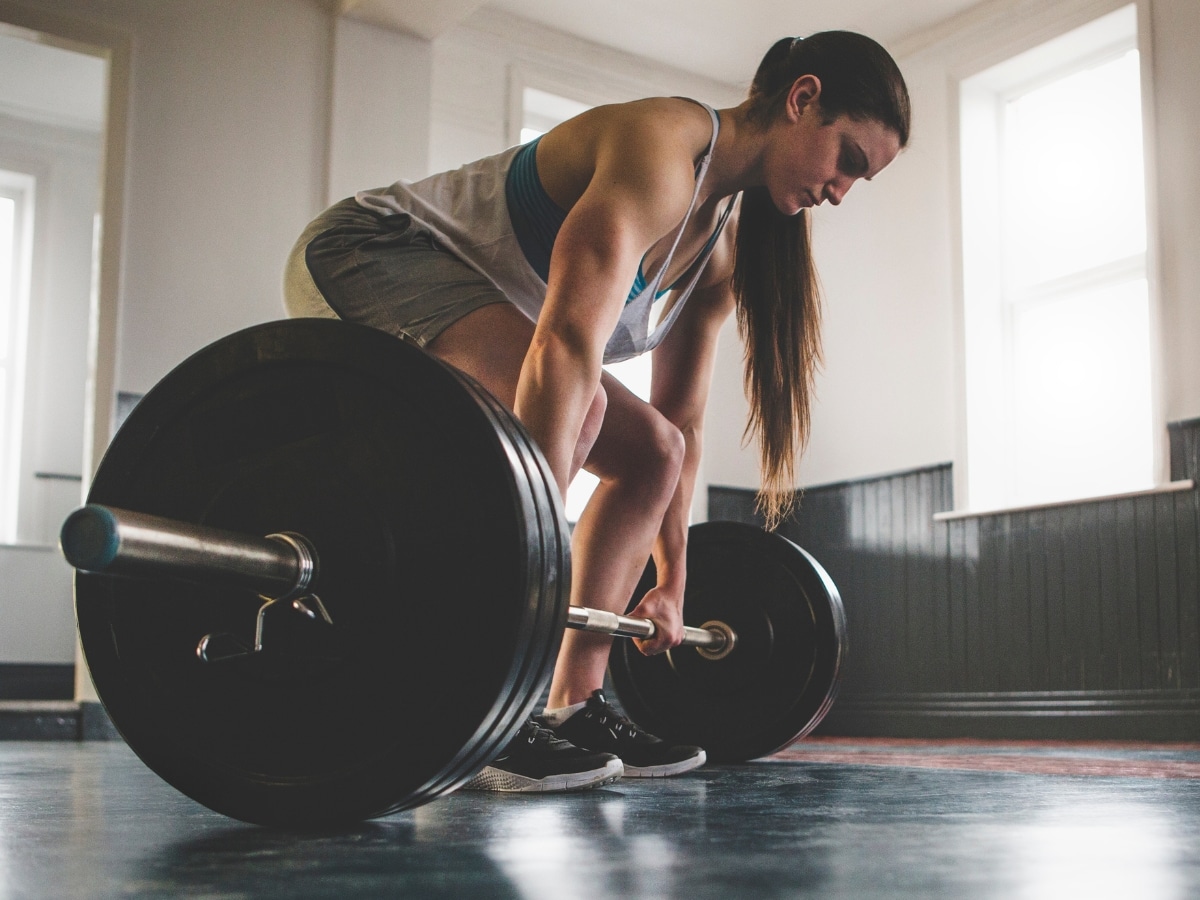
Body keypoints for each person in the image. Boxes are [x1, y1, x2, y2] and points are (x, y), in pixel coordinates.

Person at [284, 31, 910, 793]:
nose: (841, 192)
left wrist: (674, 576)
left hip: (482, 315)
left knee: (653, 451)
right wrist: (534, 553)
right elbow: (565, 347)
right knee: (571, 419)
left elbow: (679, 424)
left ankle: (574, 704)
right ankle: (491, 706)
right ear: (802, 98)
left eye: (860, 180)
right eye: (848, 159)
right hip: (369, 252)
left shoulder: (715, 252)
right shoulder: (661, 148)